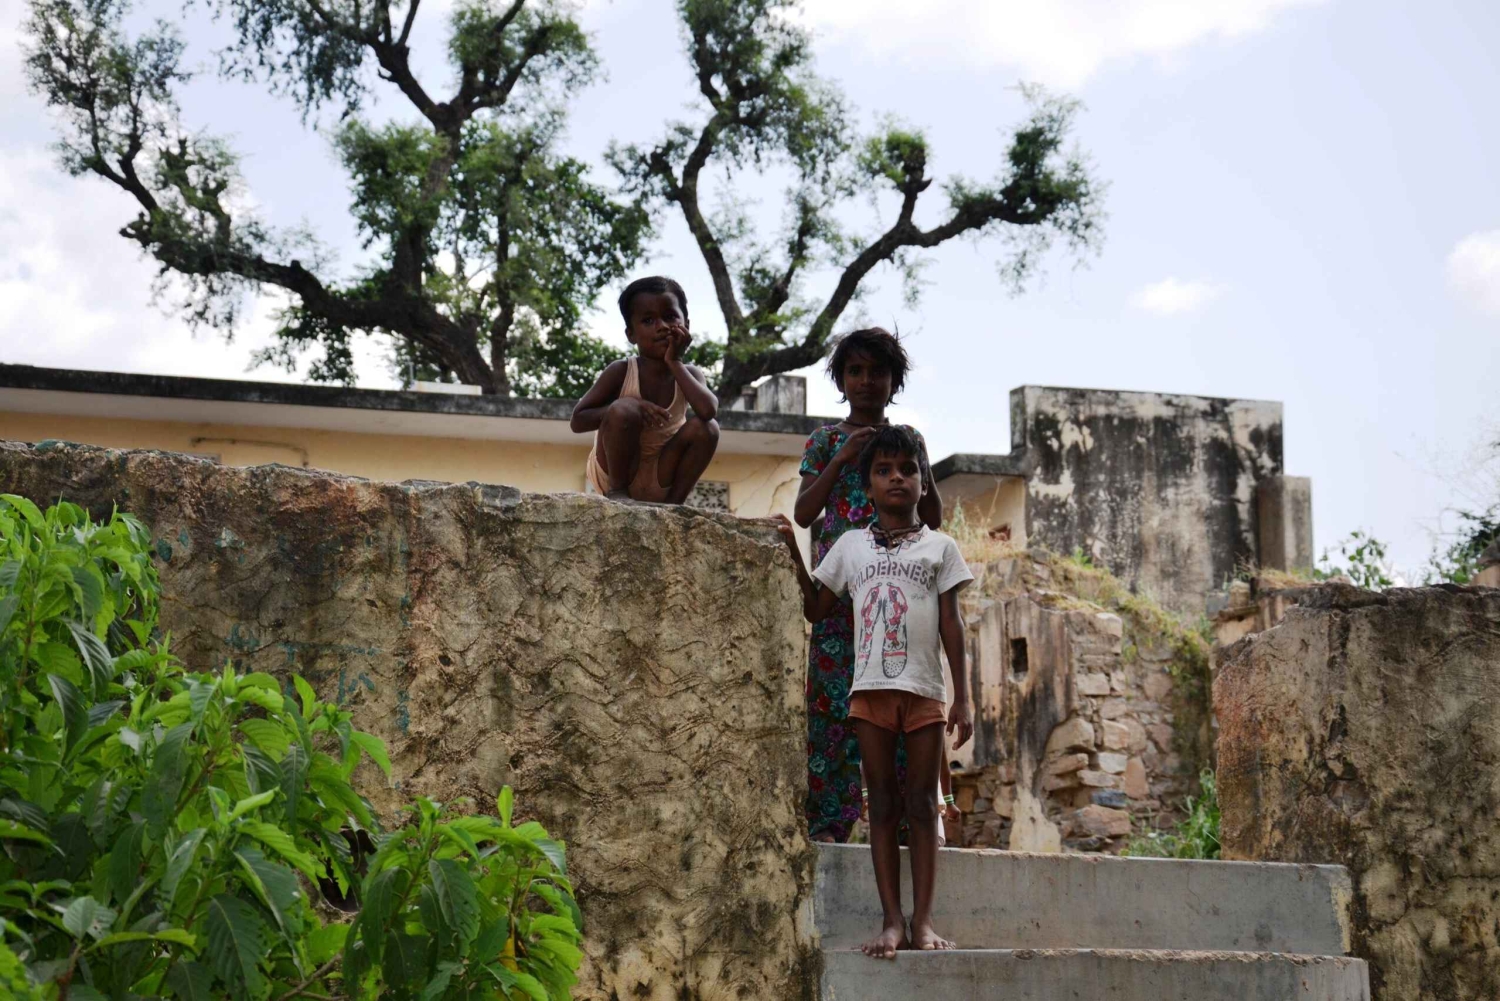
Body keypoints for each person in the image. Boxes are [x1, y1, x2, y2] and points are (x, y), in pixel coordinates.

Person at [776, 424, 973, 957]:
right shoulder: (850, 545)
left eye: (908, 470)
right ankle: (891, 922)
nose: (897, 479)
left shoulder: (940, 547)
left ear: (924, 483)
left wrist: (964, 697)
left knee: (923, 806)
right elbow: (816, 607)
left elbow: (952, 623)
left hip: (924, 692)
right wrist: (791, 548)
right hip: (869, 695)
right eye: (884, 471)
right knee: (881, 805)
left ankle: (923, 922)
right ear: (867, 487)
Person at [793, 328, 941, 843]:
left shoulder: (908, 440)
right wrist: (842, 459)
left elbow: (934, 518)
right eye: (854, 371)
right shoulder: (824, 441)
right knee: (831, 714)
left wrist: (918, 465)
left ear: (894, 381)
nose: (866, 380)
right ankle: (828, 828)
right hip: (837, 602)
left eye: (877, 371)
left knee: (900, 709)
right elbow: (803, 513)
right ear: (840, 380)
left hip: (899, 601)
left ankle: (904, 827)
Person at [571, 277, 719, 504]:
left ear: (686, 325)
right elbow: (578, 421)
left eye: (670, 317)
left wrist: (675, 362)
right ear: (631, 334)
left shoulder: (689, 374)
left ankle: (674, 505)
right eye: (648, 320)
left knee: (707, 428)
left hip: (663, 473)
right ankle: (618, 494)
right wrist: (633, 406)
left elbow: (708, 411)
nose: (662, 326)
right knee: (624, 409)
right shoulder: (621, 371)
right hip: (618, 473)